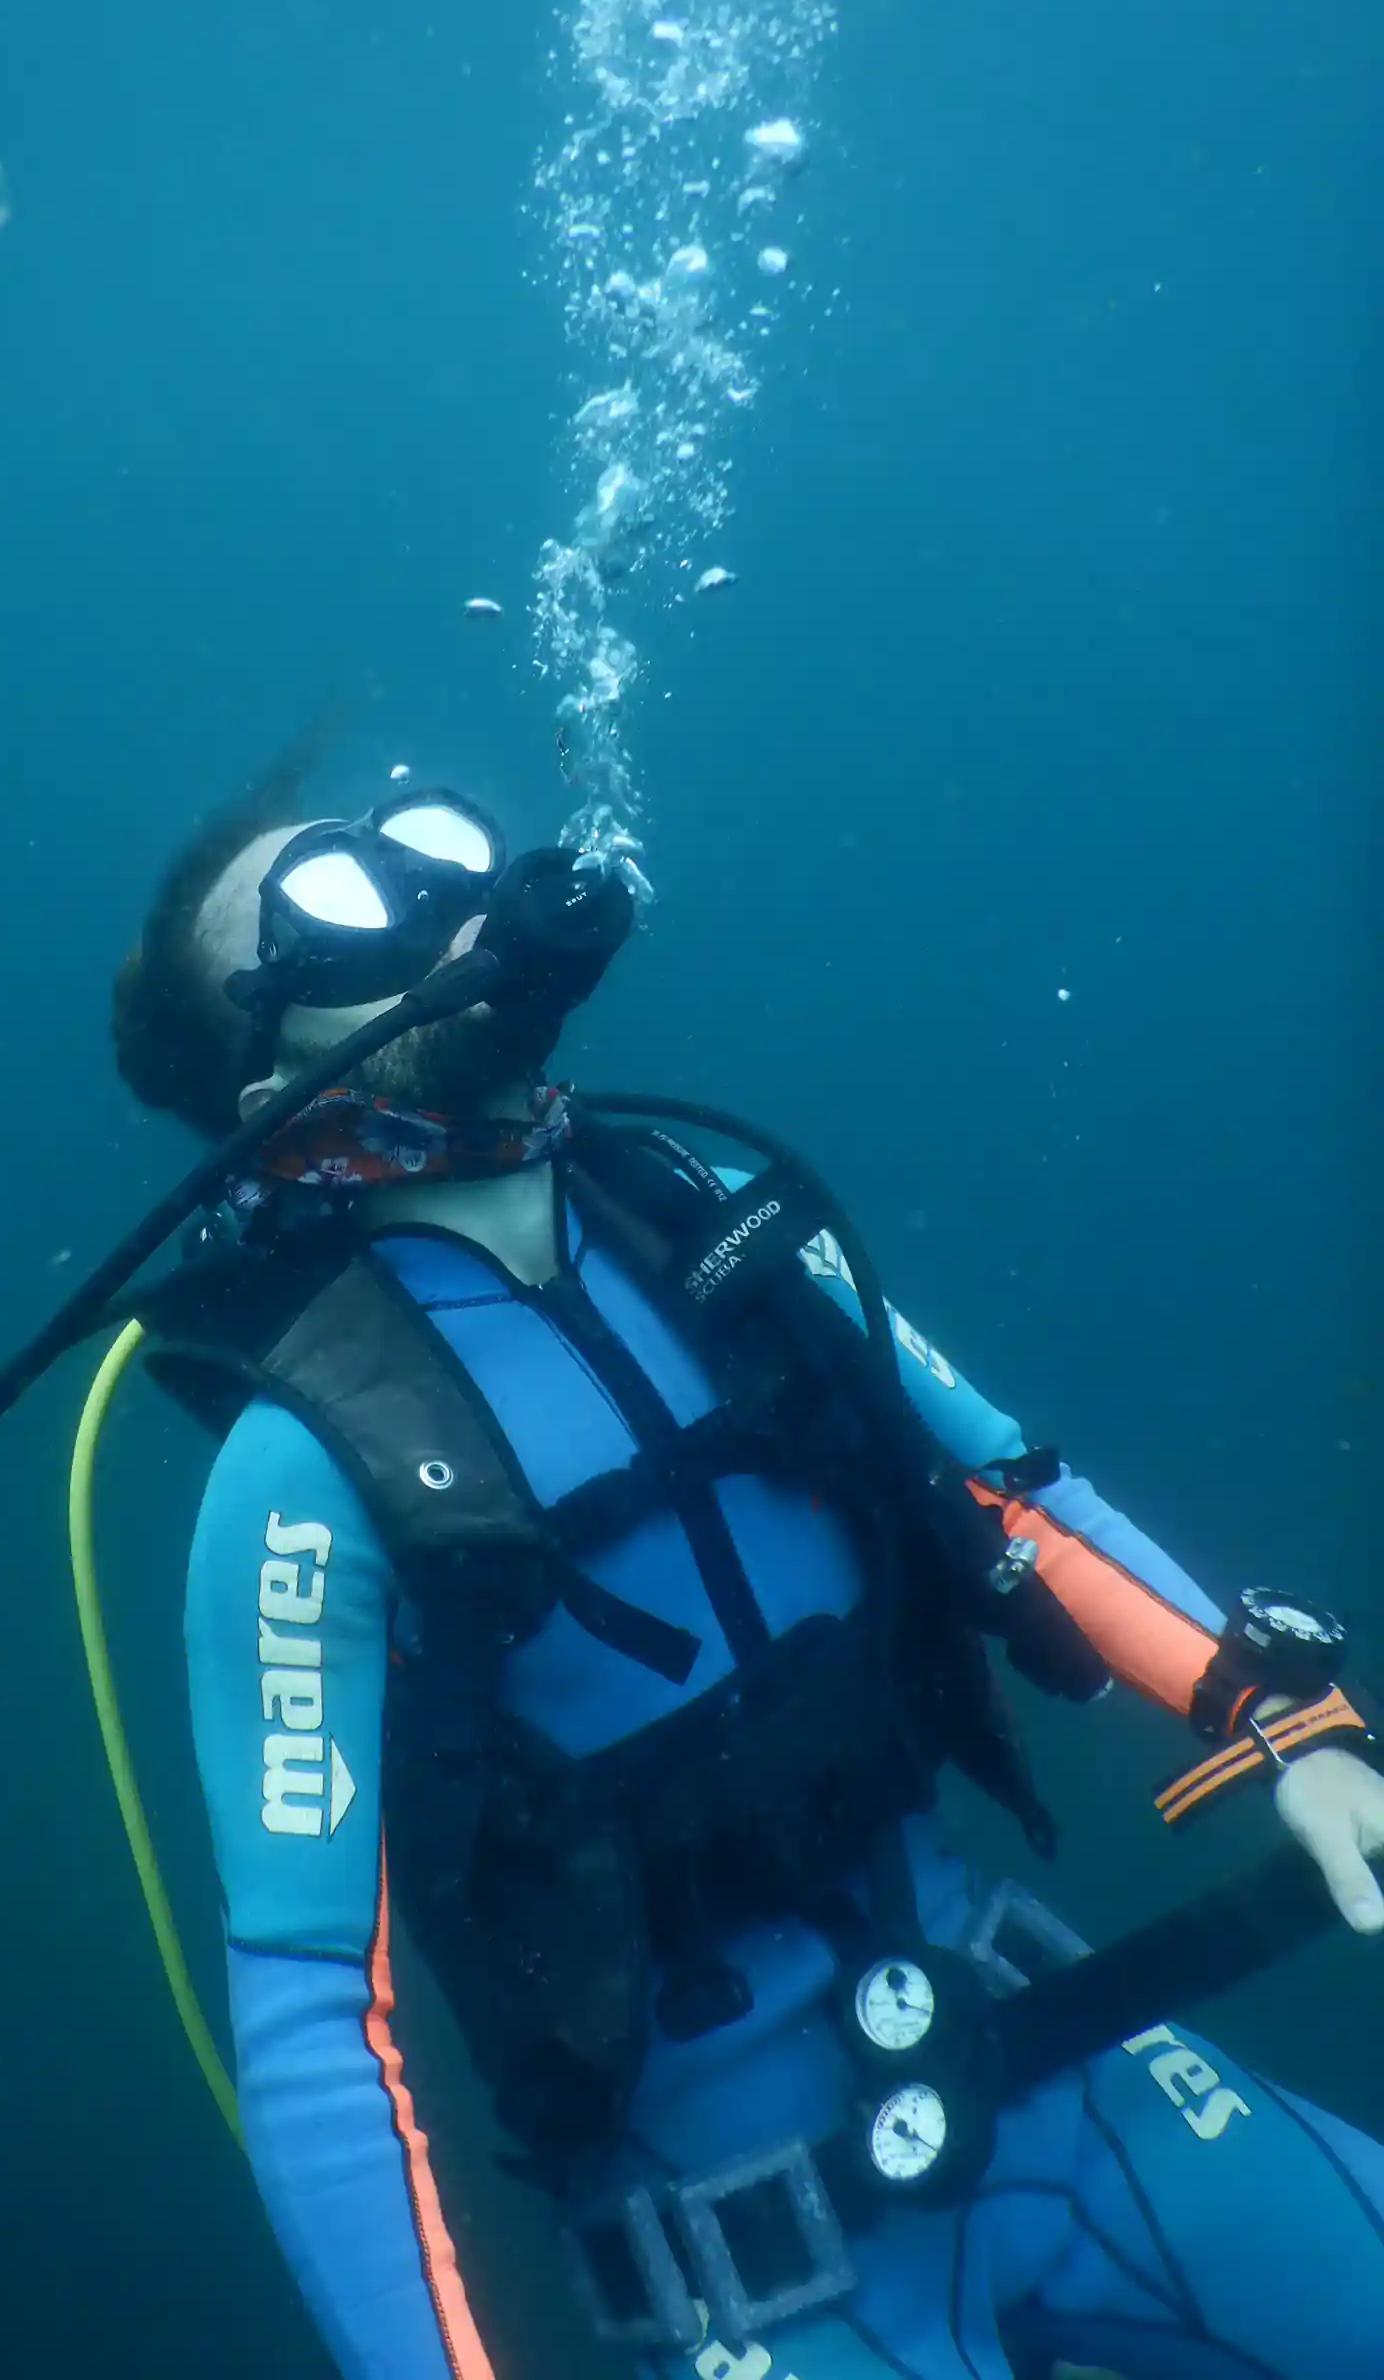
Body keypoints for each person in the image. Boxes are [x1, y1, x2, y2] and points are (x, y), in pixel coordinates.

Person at [96, 766, 1384, 2380]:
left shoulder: (709, 1225)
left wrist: (1288, 1725)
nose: (431, 906)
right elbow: (310, 2021)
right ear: (263, 1079)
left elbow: (1005, 1494)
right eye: (341, 906)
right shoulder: (293, 1478)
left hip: (1054, 2061)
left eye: (431, 853)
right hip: (751, 2267)